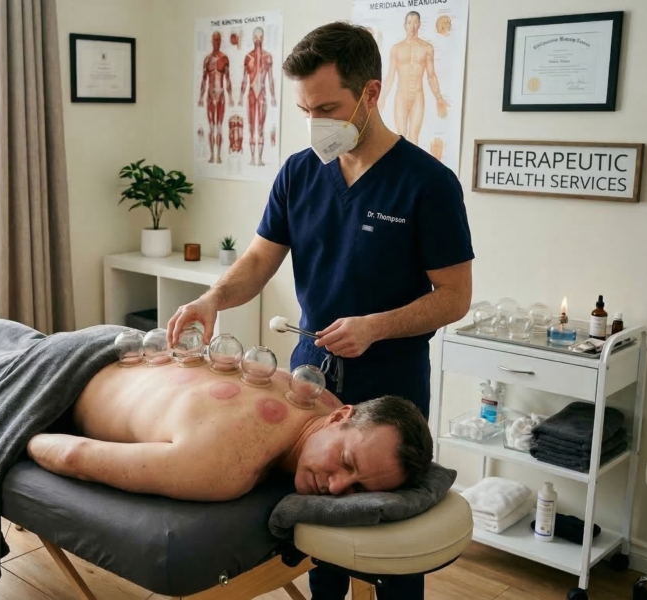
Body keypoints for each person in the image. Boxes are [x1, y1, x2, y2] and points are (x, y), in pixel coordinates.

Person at [167, 21, 474, 600]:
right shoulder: (300, 172)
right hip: (310, 371)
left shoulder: (428, 185)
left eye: (329, 107)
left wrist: (376, 326)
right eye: (307, 109)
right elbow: (258, 262)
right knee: (322, 525)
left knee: (390, 540)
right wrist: (213, 299)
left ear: (372, 93)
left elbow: (455, 298)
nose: (317, 123)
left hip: (391, 383)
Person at [28, 360, 432, 502]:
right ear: (341, 417)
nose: (339, 488)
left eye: (360, 490)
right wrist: (19, 440)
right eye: (346, 462)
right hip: (60, 380)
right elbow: (71, 456)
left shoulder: (321, 397)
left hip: (124, 354)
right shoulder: (226, 465)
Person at [379, 11, 449, 146]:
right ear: (405, 25)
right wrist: (382, 99)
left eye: (416, 22)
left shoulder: (427, 48)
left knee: (414, 137)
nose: (412, 26)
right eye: (409, 22)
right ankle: (400, 167)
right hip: (401, 96)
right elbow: (390, 76)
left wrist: (439, 98)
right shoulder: (397, 48)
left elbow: (431, 75)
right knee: (401, 137)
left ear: (420, 24)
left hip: (418, 96)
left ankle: (413, 167)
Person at [240, 26, 277, 167]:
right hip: (250, 94)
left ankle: (259, 159)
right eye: (256, 36)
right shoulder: (248, 57)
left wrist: (273, 96)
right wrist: (239, 97)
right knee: (251, 128)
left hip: (262, 94)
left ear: (263, 38)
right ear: (252, 38)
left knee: (260, 128)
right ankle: (251, 158)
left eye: (260, 36)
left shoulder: (268, 57)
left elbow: (271, 79)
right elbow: (244, 79)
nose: (258, 39)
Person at [199, 30, 233, 164]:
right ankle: (211, 155)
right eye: (215, 39)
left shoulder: (224, 59)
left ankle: (218, 155)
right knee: (211, 127)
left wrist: (230, 97)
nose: (217, 42)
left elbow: (228, 79)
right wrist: (201, 97)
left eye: (219, 40)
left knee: (218, 127)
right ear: (211, 41)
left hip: (221, 96)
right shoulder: (207, 60)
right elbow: (203, 80)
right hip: (209, 95)